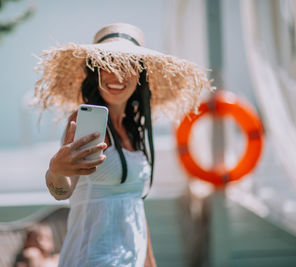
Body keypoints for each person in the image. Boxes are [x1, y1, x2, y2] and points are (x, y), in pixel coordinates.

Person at [33, 23, 212, 267]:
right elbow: (62, 190)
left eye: (127, 65)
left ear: (140, 75)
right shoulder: (82, 123)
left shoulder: (134, 128)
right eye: (107, 64)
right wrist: (56, 170)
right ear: (95, 71)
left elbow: (134, 205)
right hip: (93, 260)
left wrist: (150, 262)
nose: (116, 75)